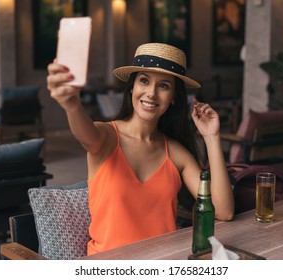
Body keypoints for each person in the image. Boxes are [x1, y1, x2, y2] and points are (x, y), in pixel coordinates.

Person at [47, 43, 234, 255]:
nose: (151, 93)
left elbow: (223, 211)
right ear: (132, 88)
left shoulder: (176, 154)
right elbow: (85, 135)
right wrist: (72, 106)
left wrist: (211, 137)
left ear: (173, 97)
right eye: (144, 81)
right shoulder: (106, 137)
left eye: (163, 86)